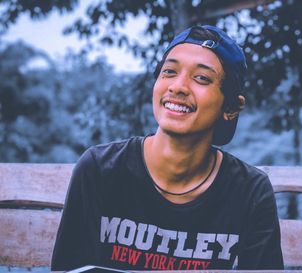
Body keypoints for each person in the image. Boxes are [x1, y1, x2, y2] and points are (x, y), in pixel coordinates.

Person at [51, 25, 284, 271]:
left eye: (202, 78)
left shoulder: (250, 192)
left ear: (231, 108)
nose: (178, 87)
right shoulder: (100, 170)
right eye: (169, 72)